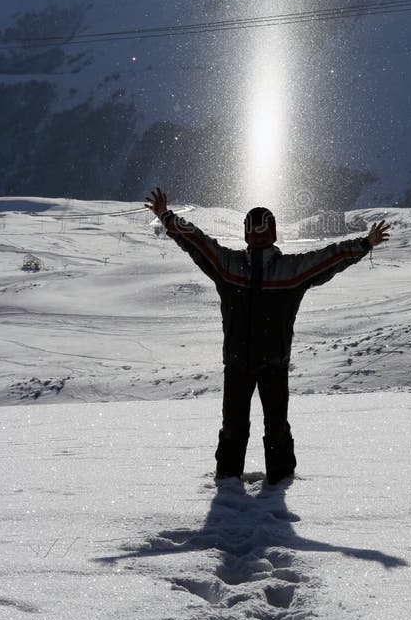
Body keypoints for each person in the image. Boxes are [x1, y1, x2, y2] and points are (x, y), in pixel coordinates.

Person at [145, 187, 390, 485]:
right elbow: (197, 241)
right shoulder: (267, 268)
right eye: (255, 233)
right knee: (249, 427)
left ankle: (252, 481)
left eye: (263, 233)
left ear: (272, 235)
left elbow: (198, 242)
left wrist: (364, 244)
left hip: (257, 363)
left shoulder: (241, 266)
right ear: (248, 235)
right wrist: (167, 217)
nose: (259, 238)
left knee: (260, 427)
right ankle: (243, 482)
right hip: (252, 363)